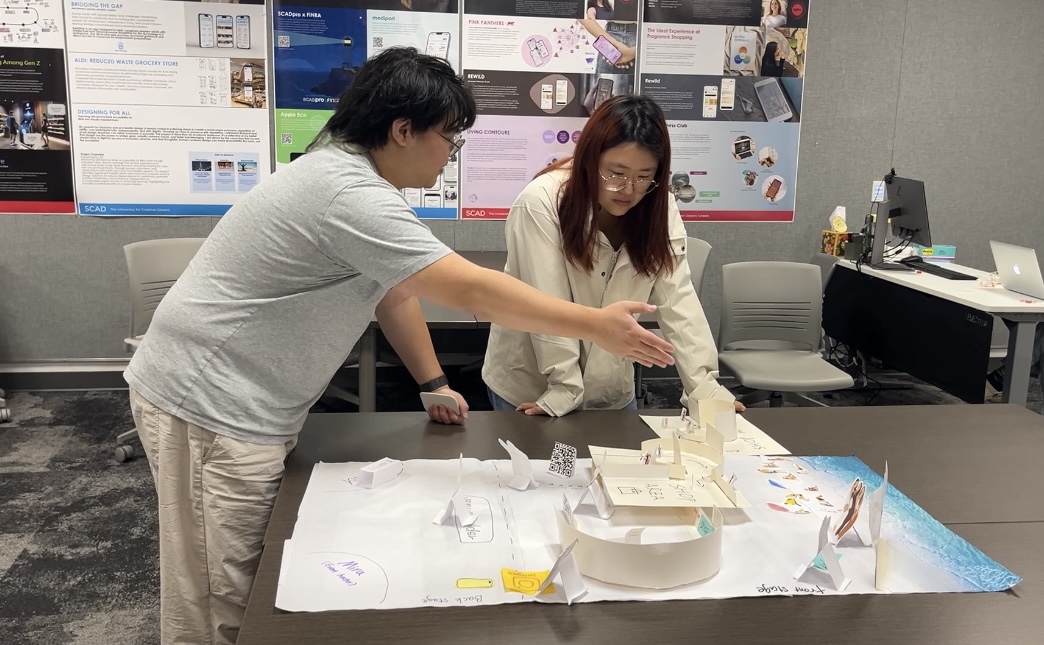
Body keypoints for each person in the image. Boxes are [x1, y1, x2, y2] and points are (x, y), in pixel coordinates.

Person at [125, 47, 674, 645]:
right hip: (209, 403)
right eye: (449, 139)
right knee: (219, 586)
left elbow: (392, 291)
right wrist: (596, 324)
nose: (451, 155)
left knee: (250, 563)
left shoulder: (350, 179)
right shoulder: (346, 192)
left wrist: (433, 381)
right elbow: (470, 288)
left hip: (247, 398)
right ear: (402, 129)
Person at [482, 95, 744, 417]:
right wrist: (564, 387)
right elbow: (547, 301)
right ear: (591, 160)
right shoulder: (541, 202)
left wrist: (705, 388)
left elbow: (678, 298)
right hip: (535, 388)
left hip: (610, 387)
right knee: (543, 468)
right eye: (616, 173)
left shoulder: (659, 209)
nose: (629, 189)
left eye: (644, 176)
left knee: (611, 467)